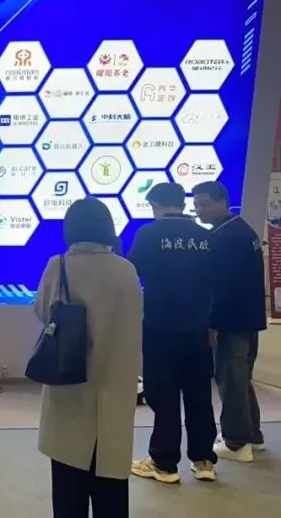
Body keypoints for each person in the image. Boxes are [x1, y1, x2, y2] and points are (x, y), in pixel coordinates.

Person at [33, 198, 141, 518]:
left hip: (70, 380)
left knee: (68, 480)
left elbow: (43, 311)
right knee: (111, 479)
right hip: (115, 382)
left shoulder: (59, 266)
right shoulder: (126, 270)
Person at [126, 183, 217, 483]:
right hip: (198, 328)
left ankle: (164, 463)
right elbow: (216, 281)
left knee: (163, 396)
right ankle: (204, 460)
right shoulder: (205, 237)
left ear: (155, 205)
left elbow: (131, 272)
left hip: (159, 326)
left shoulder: (148, 234)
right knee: (199, 394)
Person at [192, 181, 267, 462]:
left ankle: (237, 442)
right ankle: (252, 435)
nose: (199, 211)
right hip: (247, 319)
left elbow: (224, 287)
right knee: (241, 379)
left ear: (222, 202)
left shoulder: (226, 237)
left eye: (204, 204)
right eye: (196, 205)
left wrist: (213, 322)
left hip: (231, 322)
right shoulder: (241, 229)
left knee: (231, 381)